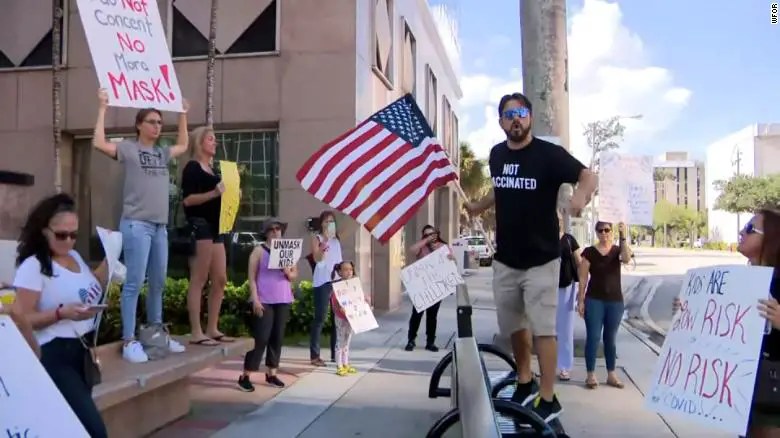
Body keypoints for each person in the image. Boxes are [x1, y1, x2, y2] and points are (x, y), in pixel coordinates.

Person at [464, 92, 597, 423]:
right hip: (506, 260)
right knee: (514, 327)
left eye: (521, 113)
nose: (515, 119)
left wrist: (580, 195)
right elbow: (502, 189)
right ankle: (525, 380)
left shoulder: (549, 155)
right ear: (501, 122)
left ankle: (549, 398)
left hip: (542, 260)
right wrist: (477, 206)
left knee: (543, 330)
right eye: (509, 115)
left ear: (530, 118)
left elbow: (587, 175)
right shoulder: (496, 155)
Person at [92, 88, 190, 363]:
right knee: (134, 283)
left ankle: (156, 334)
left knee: (158, 282)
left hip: (159, 227)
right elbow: (99, 142)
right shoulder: (128, 148)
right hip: (136, 224)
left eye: (160, 122)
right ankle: (129, 340)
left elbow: (182, 145)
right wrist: (102, 107)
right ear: (139, 125)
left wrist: (182, 114)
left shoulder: (161, 153)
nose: (157, 126)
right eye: (152, 121)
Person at [673, 209, 779, 437]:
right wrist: (689, 312)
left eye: (750, 229)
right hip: (742, 391)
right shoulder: (739, 281)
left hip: (772, 392)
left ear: (770, 237)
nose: (742, 232)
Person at [13, 194, 108, 437]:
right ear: (44, 231)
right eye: (61, 235)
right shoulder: (33, 267)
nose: (68, 241)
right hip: (54, 353)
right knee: (93, 430)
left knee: (72, 428)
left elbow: (88, 289)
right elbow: (21, 318)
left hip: (82, 351)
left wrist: (111, 265)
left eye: (74, 235)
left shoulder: (75, 257)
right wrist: (60, 314)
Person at [180, 126, 233, 346]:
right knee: (199, 278)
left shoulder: (213, 171)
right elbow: (188, 200)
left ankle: (212, 327)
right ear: (200, 142)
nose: (215, 143)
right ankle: (196, 331)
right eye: (210, 139)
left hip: (216, 226)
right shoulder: (192, 168)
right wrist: (214, 193)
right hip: (200, 225)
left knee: (220, 279)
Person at [238, 218, 296, 391]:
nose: (275, 231)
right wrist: (255, 299)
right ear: (266, 232)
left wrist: (287, 271)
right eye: (271, 229)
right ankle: (245, 375)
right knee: (261, 337)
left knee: (277, 337)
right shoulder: (258, 251)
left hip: (283, 298)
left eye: (278, 228)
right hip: (264, 300)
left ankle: (272, 373)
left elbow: (293, 275)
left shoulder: (287, 249)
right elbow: (252, 277)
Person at [577, 221, 631, 389]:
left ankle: (611, 374)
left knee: (610, 339)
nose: (604, 233)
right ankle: (591, 375)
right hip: (594, 300)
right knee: (593, 337)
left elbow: (627, 258)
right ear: (596, 233)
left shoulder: (617, 251)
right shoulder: (590, 253)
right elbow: (583, 278)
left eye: (607, 230)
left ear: (612, 231)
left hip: (615, 301)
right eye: (600, 230)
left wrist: (623, 235)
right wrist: (580, 299)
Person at [405, 225, 453, 352]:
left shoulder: (443, 247)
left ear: (437, 234)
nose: (429, 237)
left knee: (432, 316)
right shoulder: (421, 247)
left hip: (436, 286)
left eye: (431, 234)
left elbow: (451, 262)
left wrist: (450, 259)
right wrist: (425, 241)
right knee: (417, 314)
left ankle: (430, 342)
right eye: (426, 235)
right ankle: (411, 340)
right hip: (421, 285)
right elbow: (412, 250)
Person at [309, 210, 342, 366]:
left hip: (336, 281)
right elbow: (317, 259)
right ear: (321, 223)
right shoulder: (318, 239)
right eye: (327, 221)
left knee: (337, 319)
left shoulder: (337, 241)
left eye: (332, 221)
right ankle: (315, 356)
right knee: (320, 318)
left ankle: (336, 354)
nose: (329, 224)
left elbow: (339, 262)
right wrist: (324, 244)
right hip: (322, 282)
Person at [330, 261, 368, 376]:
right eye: (345, 269)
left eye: (350, 269)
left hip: (351, 316)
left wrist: (365, 300)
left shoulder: (354, 285)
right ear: (340, 272)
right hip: (341, 317)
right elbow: (334, 301)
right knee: (340, 341)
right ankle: (339, 365)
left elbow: (359, 298)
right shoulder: (338, 286)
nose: (348, 272)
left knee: (347, 340)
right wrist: (339, 309)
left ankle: (346, 363)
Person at [556, 213, 582, 381]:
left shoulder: (569, 240)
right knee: (545, 329)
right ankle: (547, 365)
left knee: (565, 328)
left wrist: (582, 291)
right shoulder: (543, 240)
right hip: (546, 288)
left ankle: (565, 367)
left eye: (557, 220)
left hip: (566, 287)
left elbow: (579, 262)